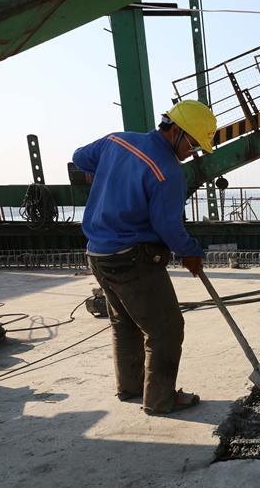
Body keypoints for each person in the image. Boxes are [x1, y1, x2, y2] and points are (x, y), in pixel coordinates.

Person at [72, 100, 217, 415]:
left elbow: (79, 157)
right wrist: (191, 252)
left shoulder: (116, 141)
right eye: (193, 143)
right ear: (175, 130)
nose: (192, 152)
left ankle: (131, 388)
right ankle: (160, 399)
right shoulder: (168, 173)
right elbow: (168, 227)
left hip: (97, 254)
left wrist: (103, 174)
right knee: (166, 329)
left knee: (124, 322)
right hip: (132, 260)